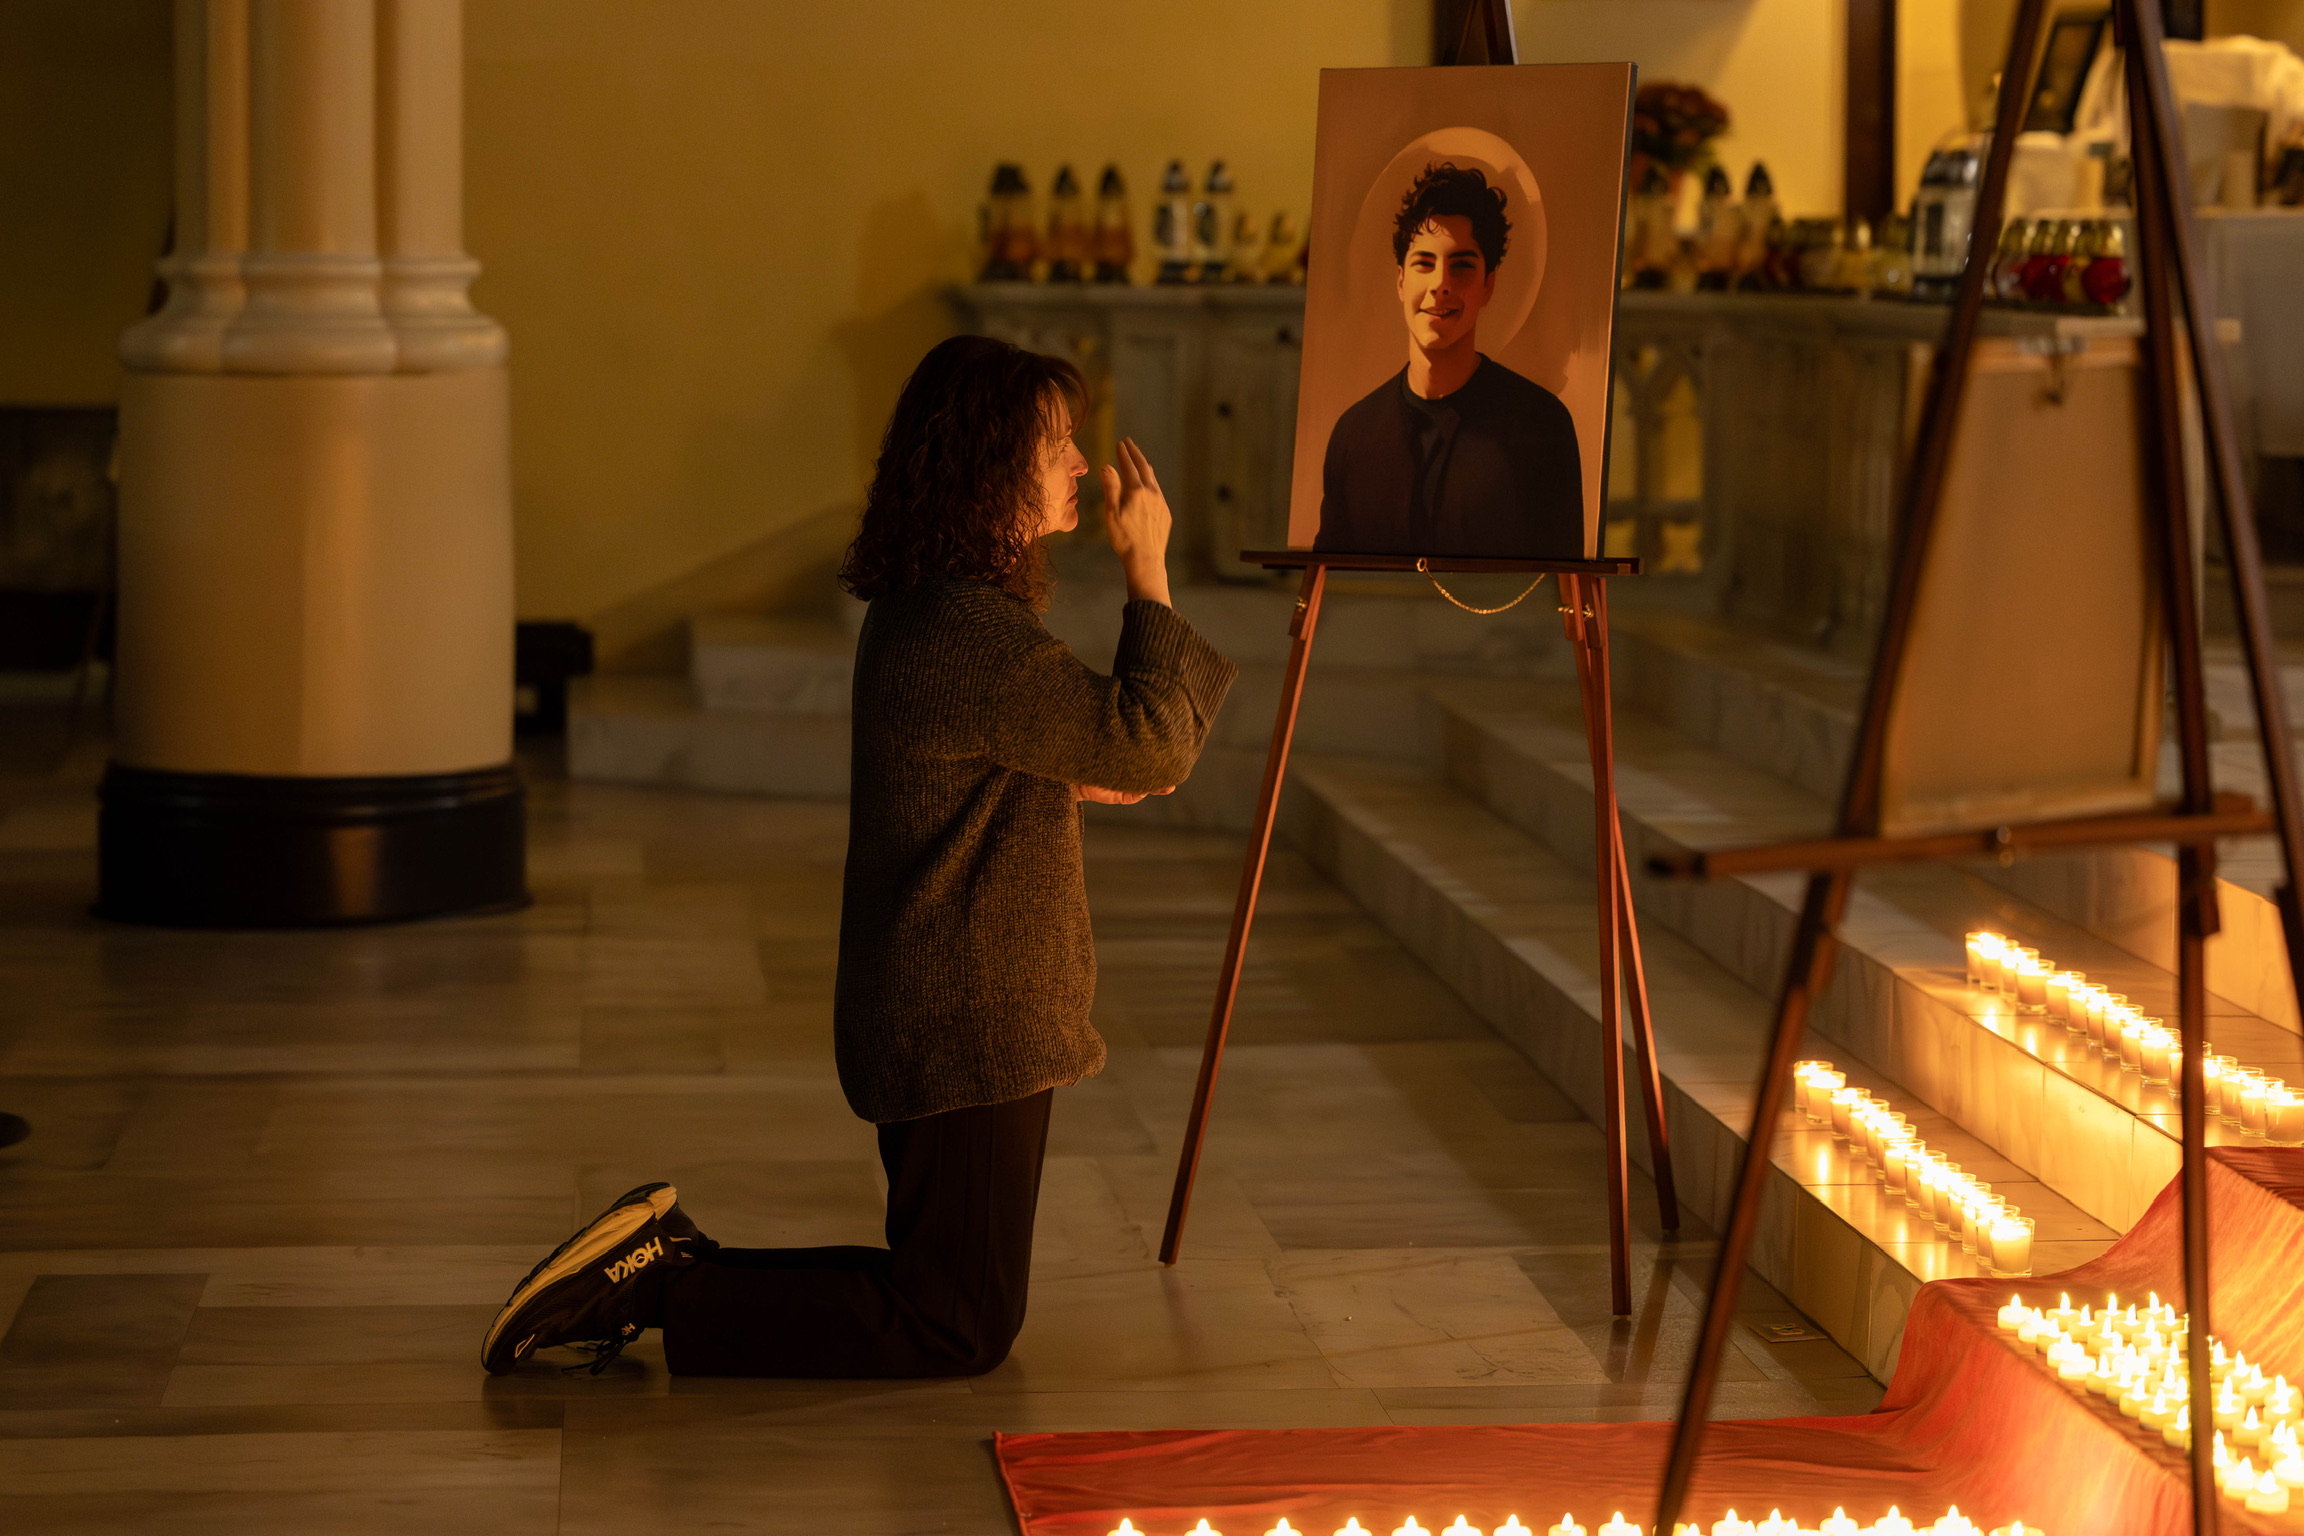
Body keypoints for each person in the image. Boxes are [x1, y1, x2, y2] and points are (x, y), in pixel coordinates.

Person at [481, 335, 1237, 1379]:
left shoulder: (940, 612)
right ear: (988, 464)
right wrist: (1148, 571)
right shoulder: (968, 634)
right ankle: (653, 1284)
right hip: (967, 1012)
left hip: (952, 999)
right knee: (954, 1322)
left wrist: (1052, 773)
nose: (1081, 462)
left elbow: (1041, 755)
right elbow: (1150, 744)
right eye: (1057, 441)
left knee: (945, 1295)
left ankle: (665, 1268)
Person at [1313, 161, 1584, 559]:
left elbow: (1562, 583)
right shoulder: (1354, 434)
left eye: (1461, 266)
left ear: (1488, 285)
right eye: (1424, 263)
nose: (1440, 284)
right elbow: (1330, 581)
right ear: (1401, 280)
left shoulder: (1542, 425)